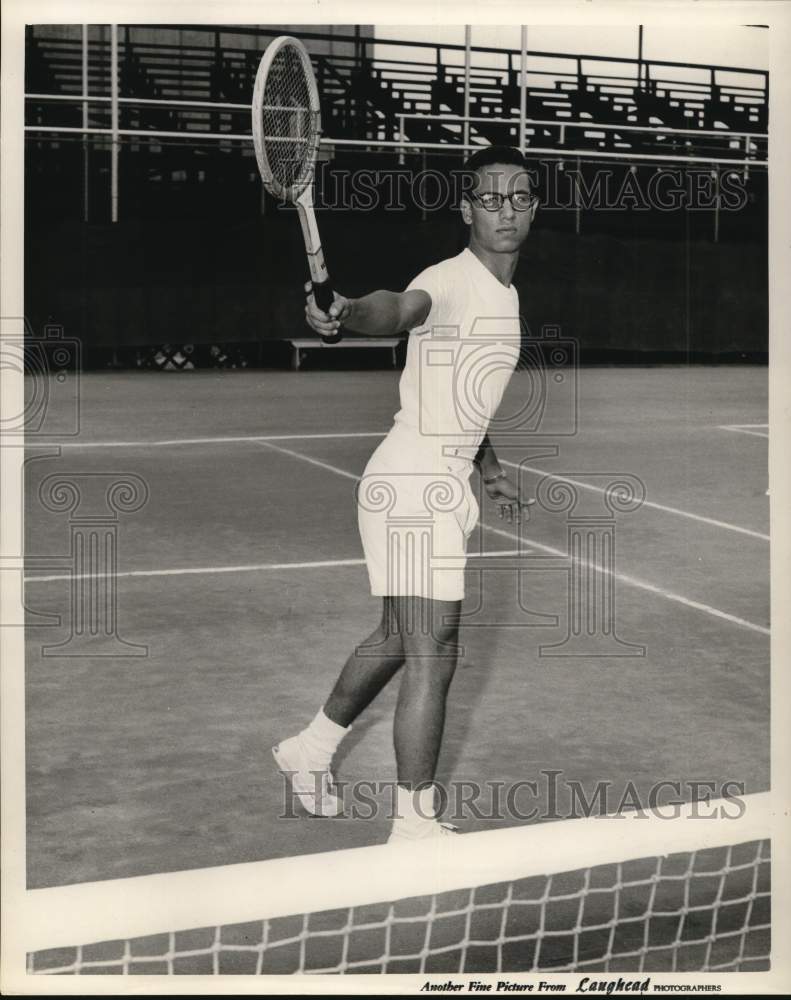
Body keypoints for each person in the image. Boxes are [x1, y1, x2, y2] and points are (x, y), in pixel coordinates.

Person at [273, 145, 538, 842]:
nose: (504, 211)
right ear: (466, 210)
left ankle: (310, 749)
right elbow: (396, 310)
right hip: (413, 479)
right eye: (490, 198)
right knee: (434, 649)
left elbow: (461, 389)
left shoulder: (504, 297)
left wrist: (486, 466)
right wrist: (348, 312)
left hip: (437, 479)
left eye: (518, 197)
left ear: (533, 206)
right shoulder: (447, 279)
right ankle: (415, 826)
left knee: (400, 635)